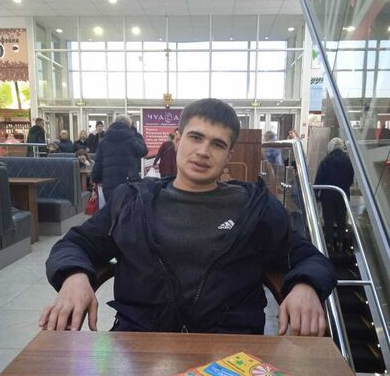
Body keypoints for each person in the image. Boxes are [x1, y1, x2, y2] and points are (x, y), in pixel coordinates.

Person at [40, 98, 336, 336]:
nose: (203, 151)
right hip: (141, 344)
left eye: (218, 144)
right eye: (196, 137)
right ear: (177, 140)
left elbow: (311, 258)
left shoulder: (254, 208)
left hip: (229, 350)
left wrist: (305, 285)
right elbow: (74, 244)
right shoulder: (132, 201)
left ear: (229, 155)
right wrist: (74, 277)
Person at [91, 114, 148, 201]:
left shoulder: (104, 140)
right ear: (129, 125)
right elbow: (143, 151)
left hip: (108, 183)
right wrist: (135, 132)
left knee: (111, 207)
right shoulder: (131, 138)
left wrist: (96, 178)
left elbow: (98, 162)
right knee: (127, 208)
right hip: (128, 182)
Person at [315, 137, 354, 253]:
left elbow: (319, 180)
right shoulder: (348, 162)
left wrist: (315, 195)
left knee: (328, 220)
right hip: (342, 195)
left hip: (327, 195)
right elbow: (350, 180)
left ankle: (329, 244)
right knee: (341, 219)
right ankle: (340, 243)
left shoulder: (325, 161)